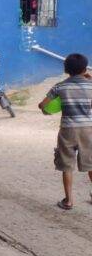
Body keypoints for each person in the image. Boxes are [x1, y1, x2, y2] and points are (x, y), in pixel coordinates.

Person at [38, 53, 92, 210]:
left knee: (67, 165)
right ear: (85, 69)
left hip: (68, 130)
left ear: (66, 69)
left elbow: (42, 105)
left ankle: (68, 201)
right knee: (90, 163)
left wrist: (47, 110)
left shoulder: (59, 86)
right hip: (88, 130)